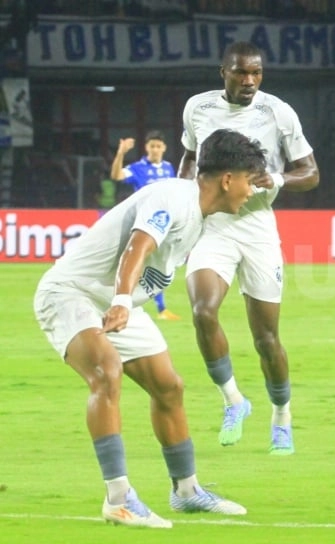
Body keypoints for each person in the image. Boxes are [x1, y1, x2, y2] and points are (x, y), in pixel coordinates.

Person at [33, 129, 266, 528]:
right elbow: (137, 247)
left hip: (114, 301)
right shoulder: (174, 197)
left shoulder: (200, 217)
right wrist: (123, 301)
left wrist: (122, 302)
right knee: (106, 372)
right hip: (72, 293)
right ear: (228, 179)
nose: (250, 190)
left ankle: (187, 491)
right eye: (249, 179)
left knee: (169, 385)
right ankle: (119, 499)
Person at [178, 41, 320, 455]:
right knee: (203, 312)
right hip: (213, 226)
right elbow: (189, 157)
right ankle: (234, 402)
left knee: (266, 339)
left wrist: (278, 179)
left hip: (257, 226)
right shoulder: (197, 108)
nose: (250, 81)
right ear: (222, 71)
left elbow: (310, 173)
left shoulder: (278, 112)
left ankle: (282, 416)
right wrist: (185, 195)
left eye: (256, 73)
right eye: (241, 73)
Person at [110, 130, 181, 320]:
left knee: (156, 264)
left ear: (164, 148)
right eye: (152, 146)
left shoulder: (169, 168)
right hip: (142, 222)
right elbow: (116, 176)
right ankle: (152, 307)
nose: (155, 150)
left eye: (158, 146)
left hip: (163, 223)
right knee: (143, 263)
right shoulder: (137, 168)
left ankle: (151, 307)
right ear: (146, 148)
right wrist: (121, 153)